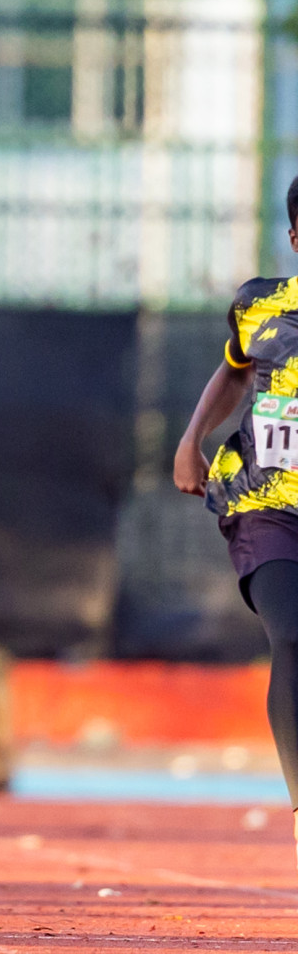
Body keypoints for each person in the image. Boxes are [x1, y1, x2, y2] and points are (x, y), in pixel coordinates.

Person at [176, 174, 298, 866]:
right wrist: (190, 439)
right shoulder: (260, 306)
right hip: (265, 504)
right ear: (296, 239)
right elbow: (233, 371)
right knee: (293, 632)